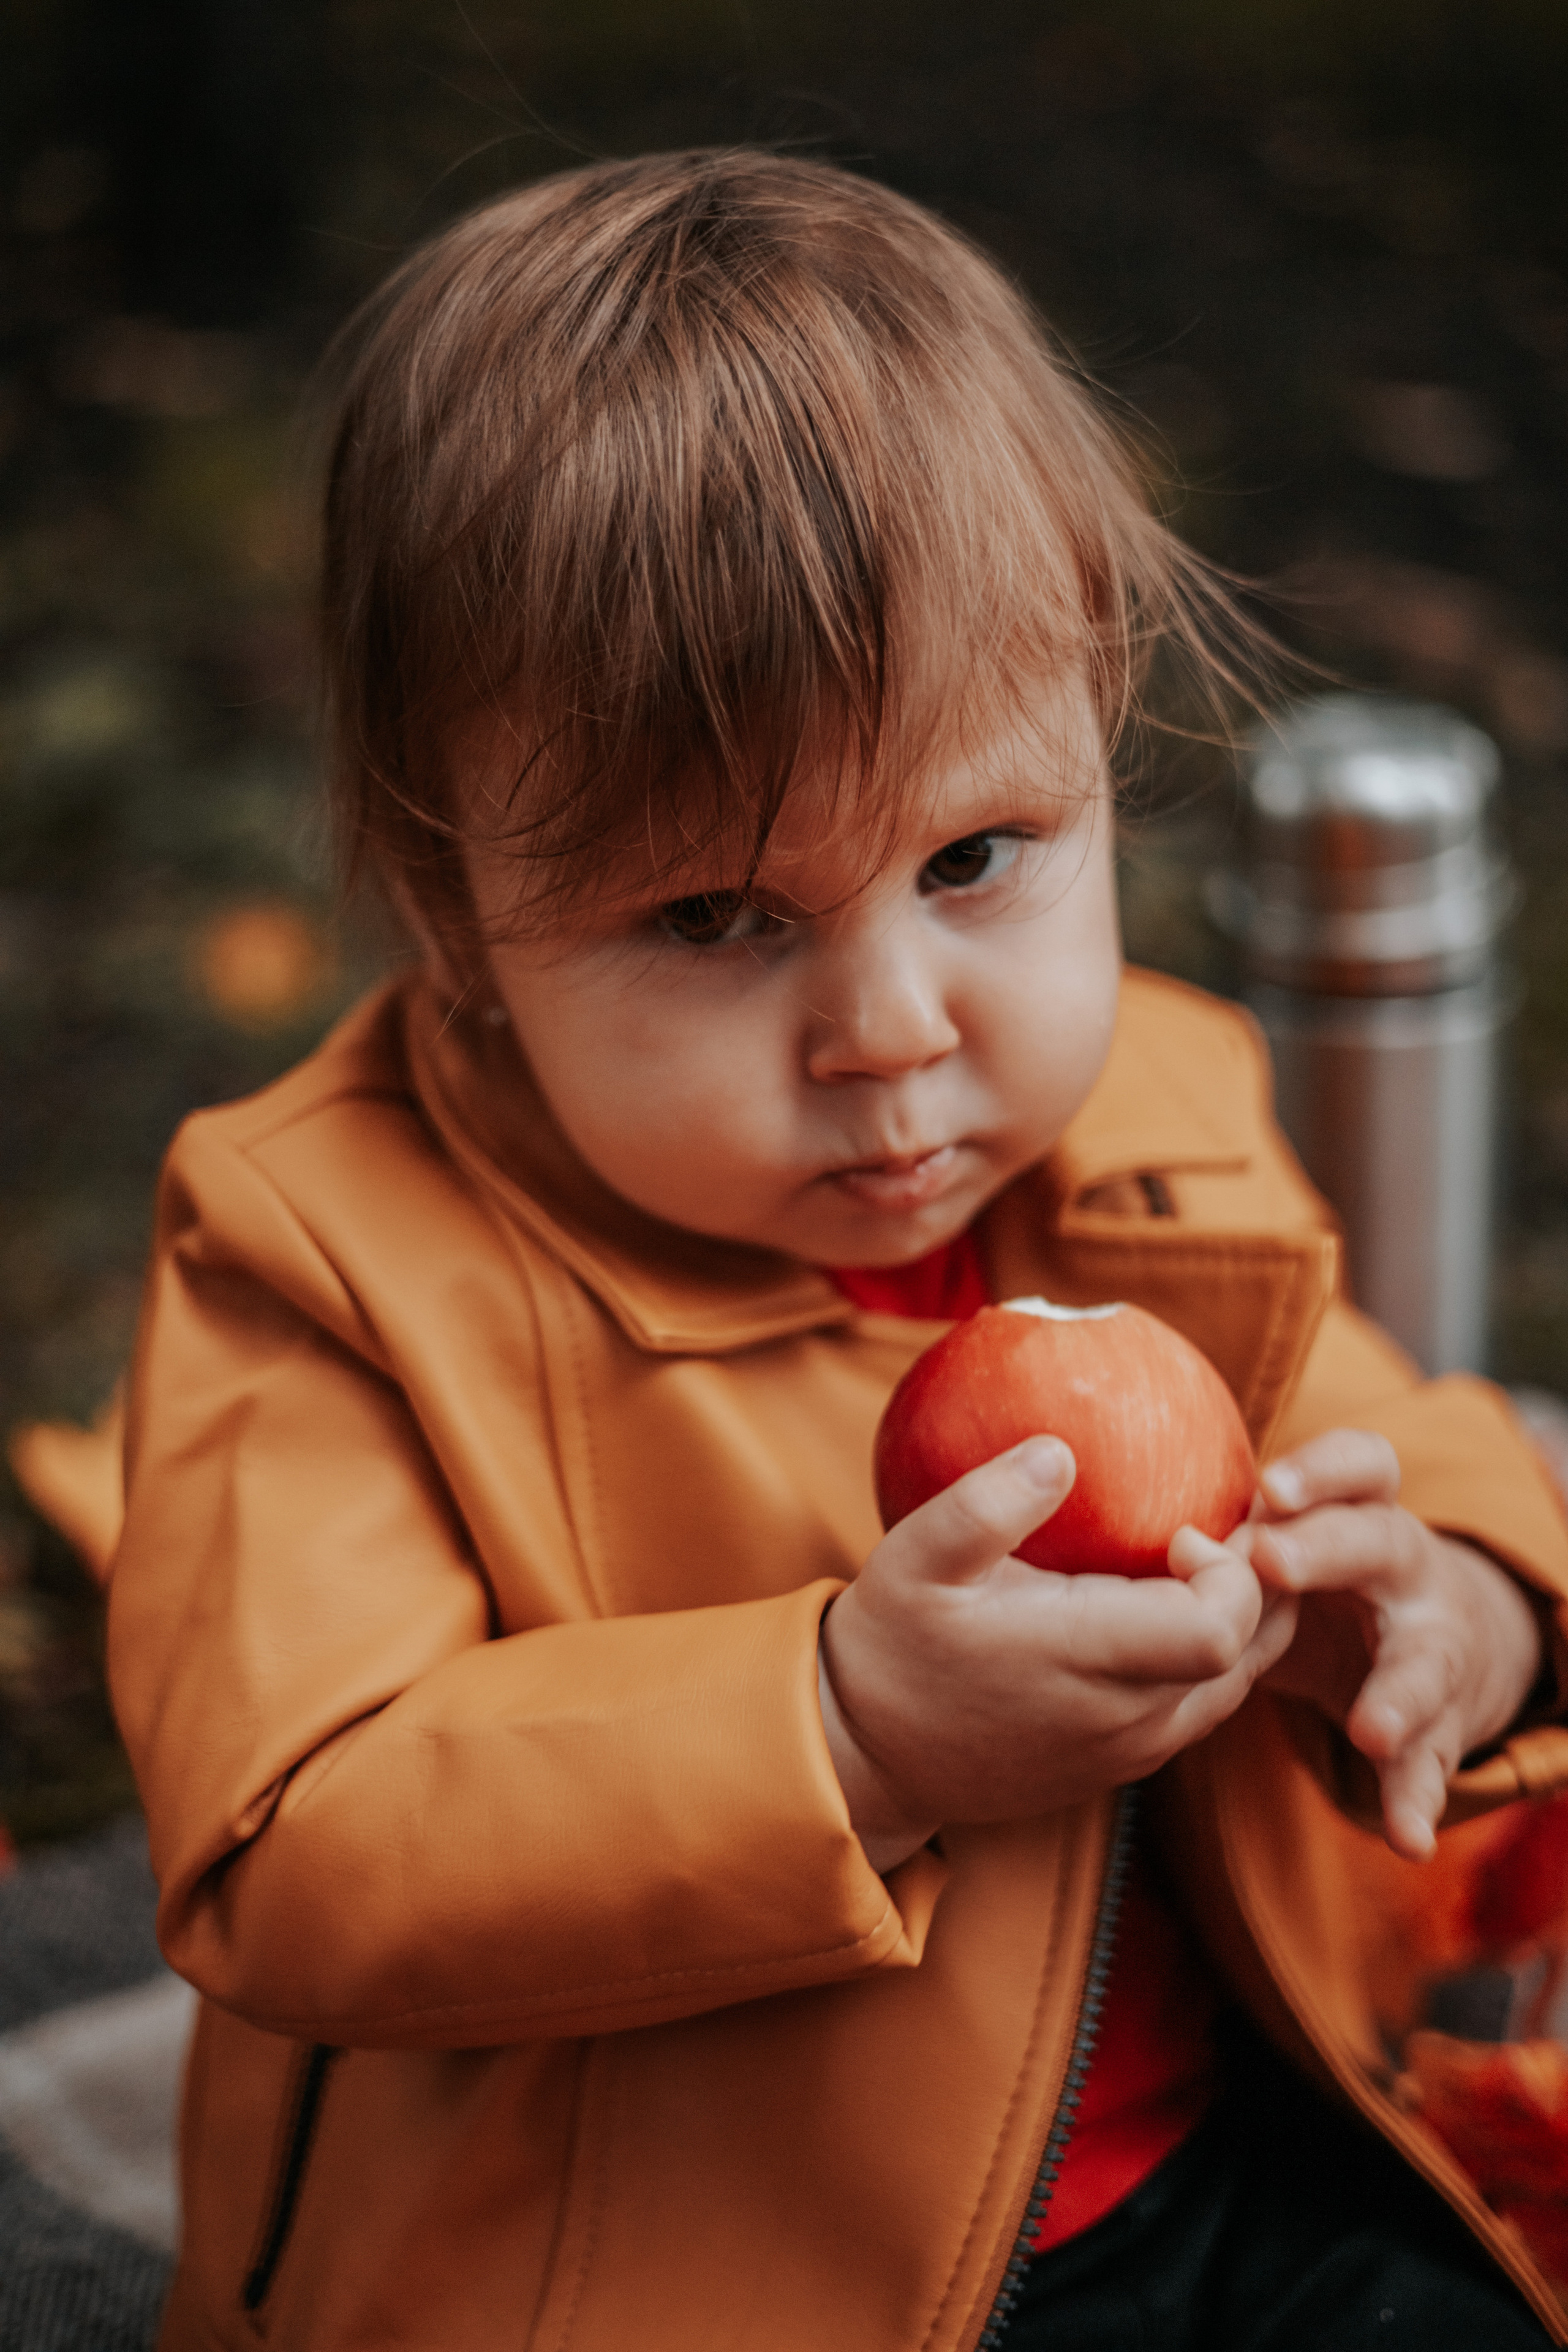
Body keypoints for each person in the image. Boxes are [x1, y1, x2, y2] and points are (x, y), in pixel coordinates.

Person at [98, 151, 1568, 2350]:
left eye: (978, 854)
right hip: (661, 2288)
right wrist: (845, 1733)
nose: (894, 1035)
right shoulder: (321, 1260)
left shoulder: (1143, 1124)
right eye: (716, 919)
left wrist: (1456, 1603)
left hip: (1224, 2164)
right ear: (454, 918)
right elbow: (293, 1844)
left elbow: (1378, 1423)